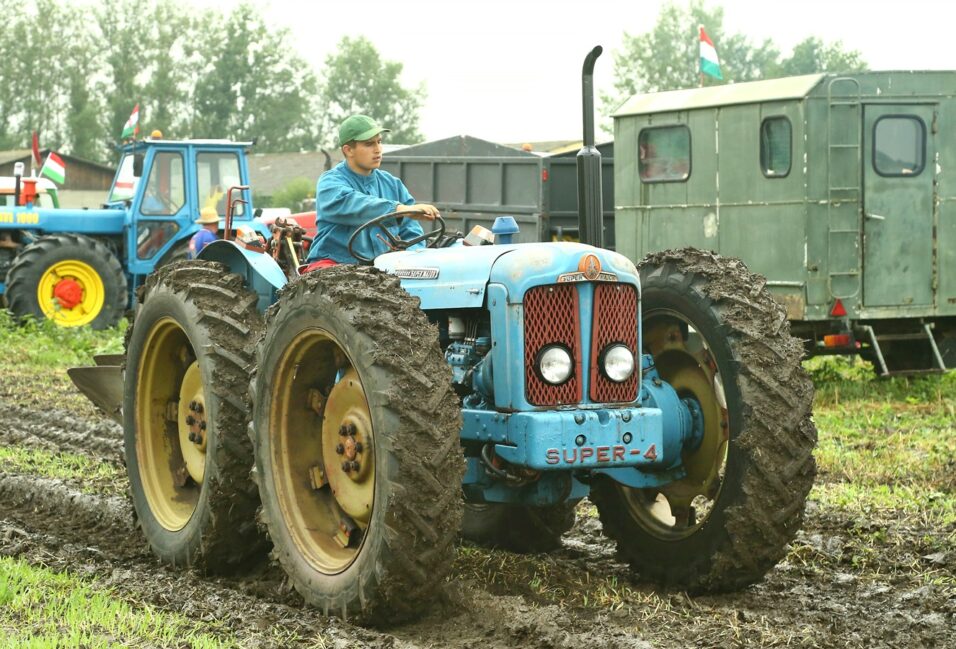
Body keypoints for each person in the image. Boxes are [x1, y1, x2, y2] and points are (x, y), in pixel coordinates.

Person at [303, 114, 440, 269]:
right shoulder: (330, 182)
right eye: (369, 144)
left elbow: (413, 234)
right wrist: (399, 210)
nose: (377, 149)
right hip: (334, 264)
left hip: (380, 269)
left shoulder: (393, 185)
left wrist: (410, 261)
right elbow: (353, 203)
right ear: (348, 150)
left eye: (379, 142)